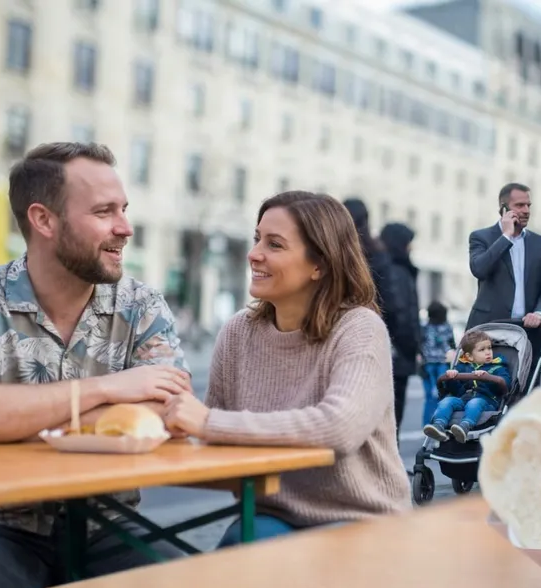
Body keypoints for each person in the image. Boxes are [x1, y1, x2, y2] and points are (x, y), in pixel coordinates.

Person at [0, 141, 191, 588]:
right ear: (44, 220)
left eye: (123, 209)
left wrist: (17, 421)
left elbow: (168, 410)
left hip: (108, 522)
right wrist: (107, 390)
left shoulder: (141, 305)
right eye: (105, 211)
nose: (125, 228)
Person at [163, 191, 411, 545]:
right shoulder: (238, 331)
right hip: (272, 516)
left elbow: (339, 427)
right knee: (238, 551)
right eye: (256, 239)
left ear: (319, 265)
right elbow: (218, 439)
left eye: (274, 244)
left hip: (364, 521)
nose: (254, 254)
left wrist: (205, 422)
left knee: (251, 554)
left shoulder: (359, 328)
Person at [466, 182, 541, 330]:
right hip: (487, 330)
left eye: (529, 205)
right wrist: (506, 236)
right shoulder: (481, 237)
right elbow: (479, 269)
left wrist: (539, 313)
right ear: (504, 209)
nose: (526, 210)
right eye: (520, 205)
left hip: (527, 330)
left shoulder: (540, 244)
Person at [422, 329, 511, 444]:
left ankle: (464, 427)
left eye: (489, 348)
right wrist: (452, 378)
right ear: (469, 356)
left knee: (474, 403)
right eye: (482, 350)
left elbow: (505, 384)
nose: (488, 352)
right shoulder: (463, 367)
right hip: (463, 399)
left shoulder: (498, 367)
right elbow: (456, 391)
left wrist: (488, 377)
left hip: (486, 402)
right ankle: (439, 426)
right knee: (447, 401)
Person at [379, 222, 422, 430]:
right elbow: (401, 314)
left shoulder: (388, 268)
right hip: (397, 355)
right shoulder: (397, 271)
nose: (410, 248)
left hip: (393, 353)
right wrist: (411, 347)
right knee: (392, 422)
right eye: (408, 243)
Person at [420, 300, 456, 427]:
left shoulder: (424, 327)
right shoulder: (447, 327)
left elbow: (420, 347)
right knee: (442, 395)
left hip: (427, 364)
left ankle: (427, 424)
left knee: (429, 397)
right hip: (443, 363)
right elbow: (452, 345)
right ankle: (440, 422)